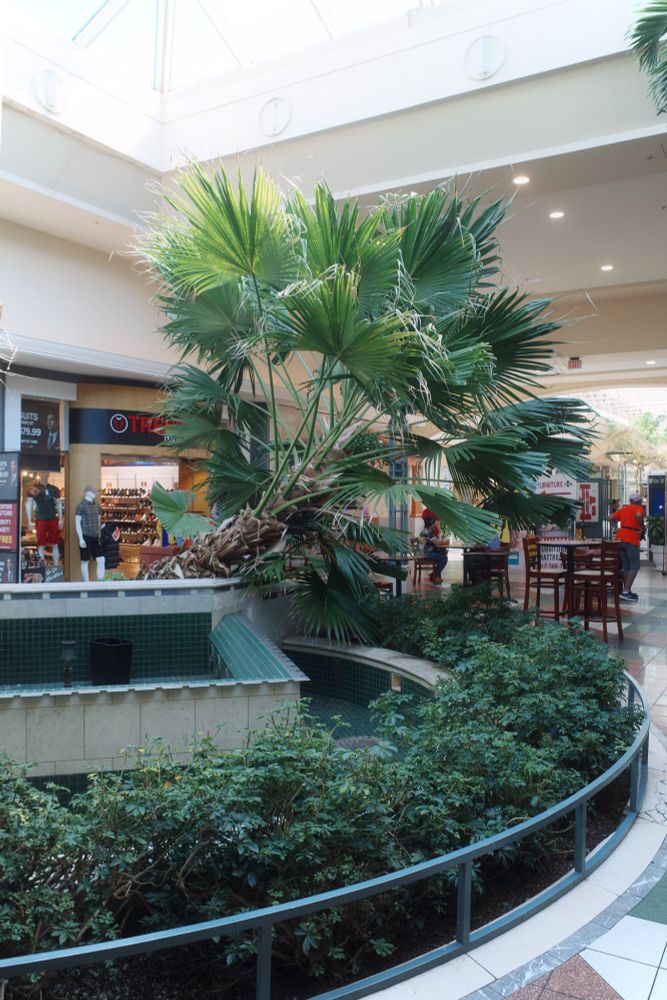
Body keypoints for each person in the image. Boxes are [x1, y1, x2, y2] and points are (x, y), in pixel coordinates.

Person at [609, 491, 645, 601]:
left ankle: (626, 590)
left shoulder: (624, 509)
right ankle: (625, 591)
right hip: (631, 539)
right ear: (638, 501)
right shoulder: (638, 508)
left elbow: (610, 517)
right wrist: (641, 525)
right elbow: (639, 515)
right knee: (635, 566)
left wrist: (615, 526)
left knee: (626, 566)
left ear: (630, 501)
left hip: (620, 539)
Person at [25, 475, 63, 567]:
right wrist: (29, 520)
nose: (44, 475)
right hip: (40, 519)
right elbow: (29, 503)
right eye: (42, 473)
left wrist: (61, 519)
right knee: (41, 544)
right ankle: (41, 567)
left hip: (52, 518)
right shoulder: (34, 488)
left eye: (46, 473)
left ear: (49, 475)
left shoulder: (54, 489)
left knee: (55, 544)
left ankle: (56, 567)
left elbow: (59, 503)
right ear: (39, 474)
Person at [75, 485, 105, 582]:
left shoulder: (97, 506)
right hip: (85, 536)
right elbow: (77, 523)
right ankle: (86, 583)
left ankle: (100, 581)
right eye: (94, 492)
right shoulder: (81, 506)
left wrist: (101, 529)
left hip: (96, 537)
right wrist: (80, 538)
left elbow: (98, 521)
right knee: (85, 561)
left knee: (101, 559)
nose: (95, 493)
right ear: (88, 492)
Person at [419, 515, 448, 584]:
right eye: (434, 524)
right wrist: (446, 542)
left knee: (442, 554)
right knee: (444, 558)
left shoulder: (428, 532)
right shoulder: (427, 532)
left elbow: (436, 542)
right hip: (424, 554)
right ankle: (435, 575)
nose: (435, 525)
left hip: (426, 553)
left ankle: (434, 575)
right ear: (430, 525)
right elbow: (438, 543)